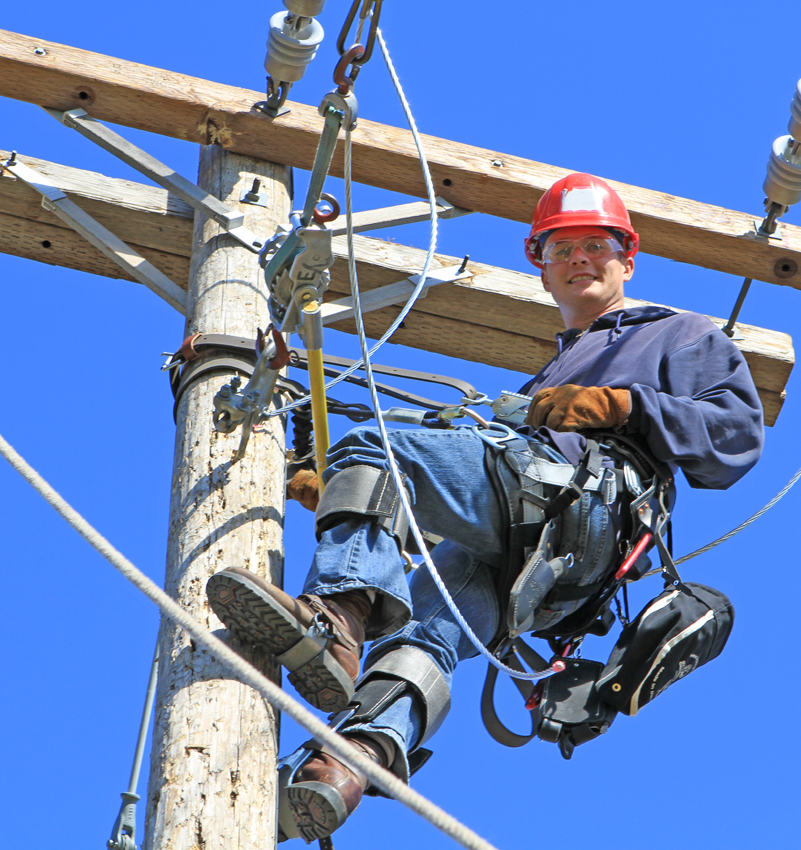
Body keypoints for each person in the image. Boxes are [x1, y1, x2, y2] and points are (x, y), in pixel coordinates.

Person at [206, 173, 765, 842]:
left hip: (579, 515)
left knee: (375, 444)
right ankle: (351, 763)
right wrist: (345, 497)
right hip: (540, 568)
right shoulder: (548, 377)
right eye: (562, 249)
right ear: (541, 267)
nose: (579, 259)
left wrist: (627, 405)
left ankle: (336, 620)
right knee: (425, 628)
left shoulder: (678, 335)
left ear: (627, 257)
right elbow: (465, 498)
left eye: (595, 245)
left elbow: (737, 438)